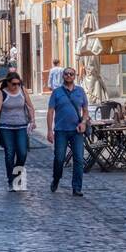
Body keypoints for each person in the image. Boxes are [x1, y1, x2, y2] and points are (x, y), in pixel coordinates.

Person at [47, 67, 89, 197]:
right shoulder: (57, 92)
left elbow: (86, 111)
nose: (69, 76)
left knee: (79, 160)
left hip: (77, 131)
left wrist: (83, 122)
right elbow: (50, 112)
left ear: (74, 76)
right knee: (59, 159)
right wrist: (49, 130)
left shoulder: (80, 91)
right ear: (63, 76)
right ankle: (56, 178)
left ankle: (76, 187)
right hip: (60, 131)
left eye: (71, 74)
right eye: (66, 74)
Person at [0, 72, 35, 191]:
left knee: (22, 153)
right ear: (8, 83)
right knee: (10, 154)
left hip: (21, 126)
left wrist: (33, 120)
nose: (16, 86)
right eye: (14, 84)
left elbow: (30, 106)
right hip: (6, 127)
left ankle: (17, 175)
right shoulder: (2, 93)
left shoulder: (22, 90)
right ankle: (11, 181)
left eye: (18, 83)